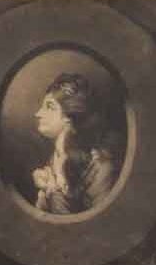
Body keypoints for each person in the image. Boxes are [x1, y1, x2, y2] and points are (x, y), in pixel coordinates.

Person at [26, 72, 125, 216]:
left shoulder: (99, 166)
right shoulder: (54, 159)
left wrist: (52, 191)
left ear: (69, 116)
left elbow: (98, 223)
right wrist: (44, 192)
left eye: (49, 107)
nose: (38, 113)